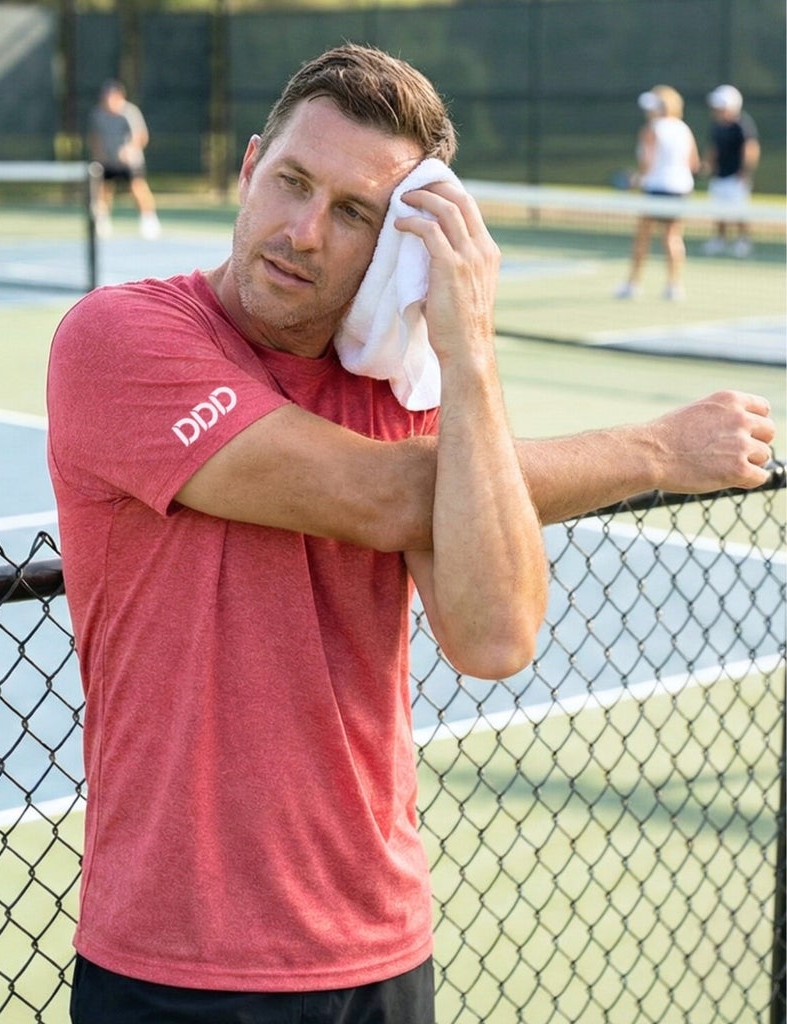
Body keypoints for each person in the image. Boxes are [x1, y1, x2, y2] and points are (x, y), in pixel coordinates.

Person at [47, 44, 775, 1022]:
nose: (302, 231)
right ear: (251, 164)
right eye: (293, 182)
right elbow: (390, 498)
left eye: (353, 213)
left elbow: (493, 637)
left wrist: (466, 352)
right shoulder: (120, 339)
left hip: (381, 945)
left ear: (395, 244)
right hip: (175, 963)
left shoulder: (407, 394)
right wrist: (650, 447)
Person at [624, 84, 702, 299]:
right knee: (672, 237)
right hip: (680, 189)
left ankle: (633, 284)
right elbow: (694, 164)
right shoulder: (683, 128)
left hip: (656, 189)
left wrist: (635, 179)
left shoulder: (651, 129)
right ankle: (674, 286)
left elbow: (647, 164)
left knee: (643, 236)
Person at [93, 80, 162, 239]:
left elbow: (141, 136)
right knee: (103, 189)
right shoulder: (98, 114)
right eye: (105, 97)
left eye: (111, 96)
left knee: (138, 187)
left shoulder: (130, 112)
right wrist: (99, 154)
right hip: (108, 162)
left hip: (131, 162)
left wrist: (129, 150)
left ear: (119, 96)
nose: (108, 100)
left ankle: (149, 221)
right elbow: (95, 137)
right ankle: (102, 222)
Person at [706, 85, 759, 257]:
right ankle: (720, 240)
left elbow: (751, 149)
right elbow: (714, 149)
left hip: (736, 178)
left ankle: (743, 241)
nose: (716, 109)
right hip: (720, 176)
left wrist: (744, 172)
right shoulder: (716, 126)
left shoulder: (742, 125)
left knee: (739, 212)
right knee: (718, 212)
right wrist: (708, 165)